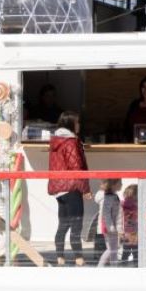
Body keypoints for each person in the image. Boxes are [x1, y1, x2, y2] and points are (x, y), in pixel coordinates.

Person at [48, 111, 91, 265]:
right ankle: (79, 258)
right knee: (76, 224)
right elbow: (76, 167)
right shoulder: (71, 142)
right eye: (77, 122)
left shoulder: (56, 141)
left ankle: (60, 257)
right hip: (72, 187)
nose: (79, 125)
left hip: (59, 189)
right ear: (70, 124)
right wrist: (85, 189)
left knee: (63, 224)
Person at [97, 178, 122, 267]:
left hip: (113, 227)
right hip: (109, 228)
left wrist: (119, 229)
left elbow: (118, 214)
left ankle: (113, 267)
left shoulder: (114, 196)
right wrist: (111, 227)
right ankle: (100, 266)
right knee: (112, 249)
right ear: (113, 185)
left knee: (114, 249)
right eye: (120, 183)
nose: (121, 185)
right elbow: (106, 214)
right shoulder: (109, 197)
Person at [121, 183, 139, 263]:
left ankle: (123, 264)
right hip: (133, 232)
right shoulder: (133, 205)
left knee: (126, 251)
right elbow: (135, 217)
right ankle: (136, 266)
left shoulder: (124, 204)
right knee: (136, 251)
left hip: (127, 231)